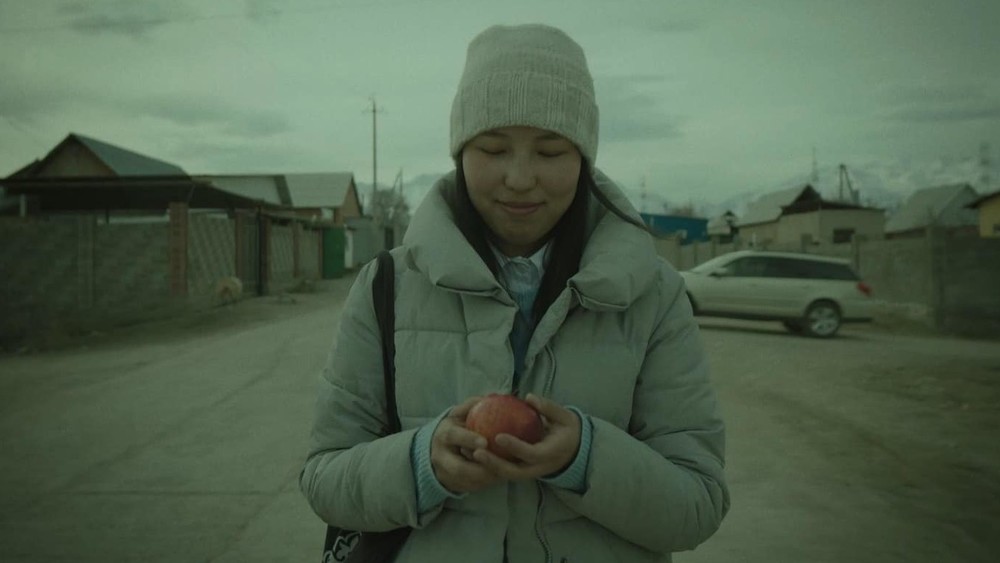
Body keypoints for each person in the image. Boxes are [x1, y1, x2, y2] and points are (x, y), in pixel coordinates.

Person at [300, 23, 729, 562]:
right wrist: (421, 464)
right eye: (493, 148)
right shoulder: (387, 286)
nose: (521, 178)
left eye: (550, 151)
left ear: (583, 158)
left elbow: (696, 505)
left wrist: (584, 457)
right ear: (460, 152)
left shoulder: (652, 294)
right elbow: (325, 480)